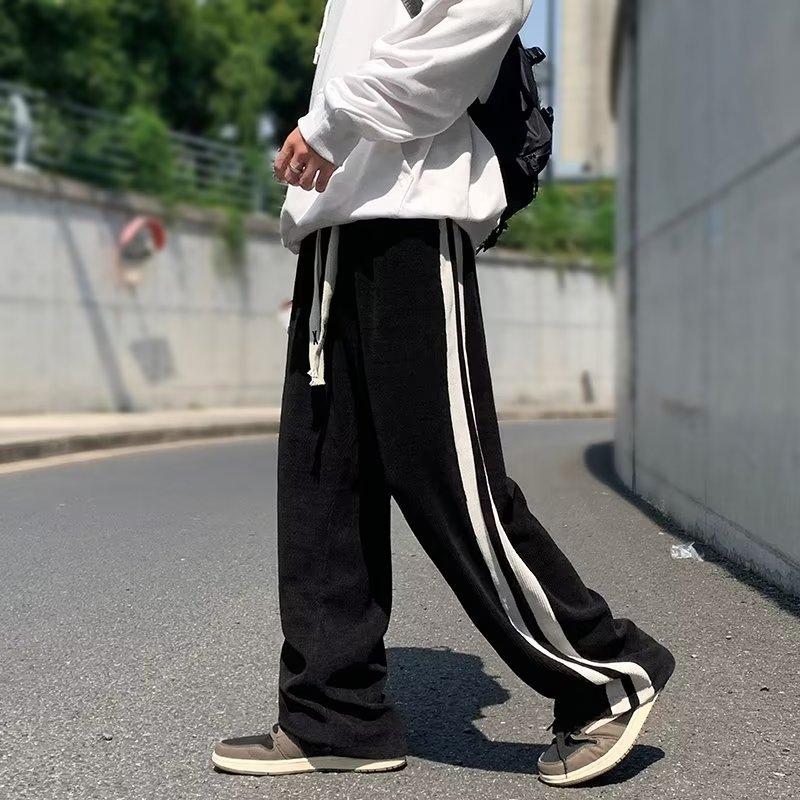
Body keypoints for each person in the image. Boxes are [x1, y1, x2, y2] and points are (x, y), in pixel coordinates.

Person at [211, 0, 674, 787]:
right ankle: (334, 715)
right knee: (323, 482)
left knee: (449, 480)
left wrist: (329, 125)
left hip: (411, 220)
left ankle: (605, 675)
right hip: (333, 228)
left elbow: (482, 17)